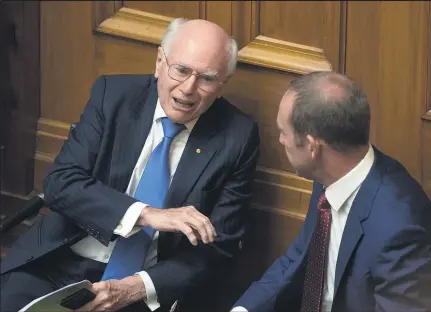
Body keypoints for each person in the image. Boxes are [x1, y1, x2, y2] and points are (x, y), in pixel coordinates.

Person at [0, 18, 260, 312]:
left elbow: (219, 247)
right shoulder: (113, 96)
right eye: (181, 70)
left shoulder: (237, 136)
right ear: (160, 62)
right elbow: (61, 182)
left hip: (144, 287)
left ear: (223, 84)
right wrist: (145, 215)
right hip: (59, 263)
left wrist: (136, 287)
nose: (189, 88)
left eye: (207, 78)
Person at [231, 71, 431, 312]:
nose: (282, 140)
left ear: (312, 147)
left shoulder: (400, 229)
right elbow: (297, 258)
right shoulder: (328, 175)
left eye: (284, 132)